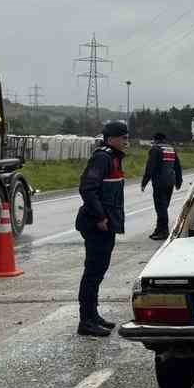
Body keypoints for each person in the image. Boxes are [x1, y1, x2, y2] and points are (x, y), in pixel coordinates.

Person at [74, 121, 128, 337]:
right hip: (97, 225)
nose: (126, 141)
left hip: (107, 224)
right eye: (122, 137)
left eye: (126, 137)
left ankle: (92, 315)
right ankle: (86, 321)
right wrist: (100, 217)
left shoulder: (113, 158)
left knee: (98, 272)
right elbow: (87, 189)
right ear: (110, 139)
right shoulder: (103, 157)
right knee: (93, 272)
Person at [141, 131, 183, 240]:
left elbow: (150, 167)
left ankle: (164, 231)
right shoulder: (171, 149)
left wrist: (144, 182)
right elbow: (177, 166)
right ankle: (158, 229)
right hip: (170, 182)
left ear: (155, 140)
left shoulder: (155, 149)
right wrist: (179, 181)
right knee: (164, 207)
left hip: (160, 182)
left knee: (160, 207)